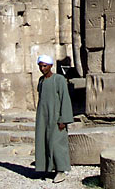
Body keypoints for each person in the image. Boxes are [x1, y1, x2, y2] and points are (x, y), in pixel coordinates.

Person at [34, 54, 72, 183]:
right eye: (40, 66)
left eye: (44, 66)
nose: (42, 68)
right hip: (43, 116)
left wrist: (63, 119)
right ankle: (46, 168)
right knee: (43, 141)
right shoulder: (41, 80)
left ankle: (61, 170)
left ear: (50, 66)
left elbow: (65, 99)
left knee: (57, 143)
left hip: (56, 117)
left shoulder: (59, 79)